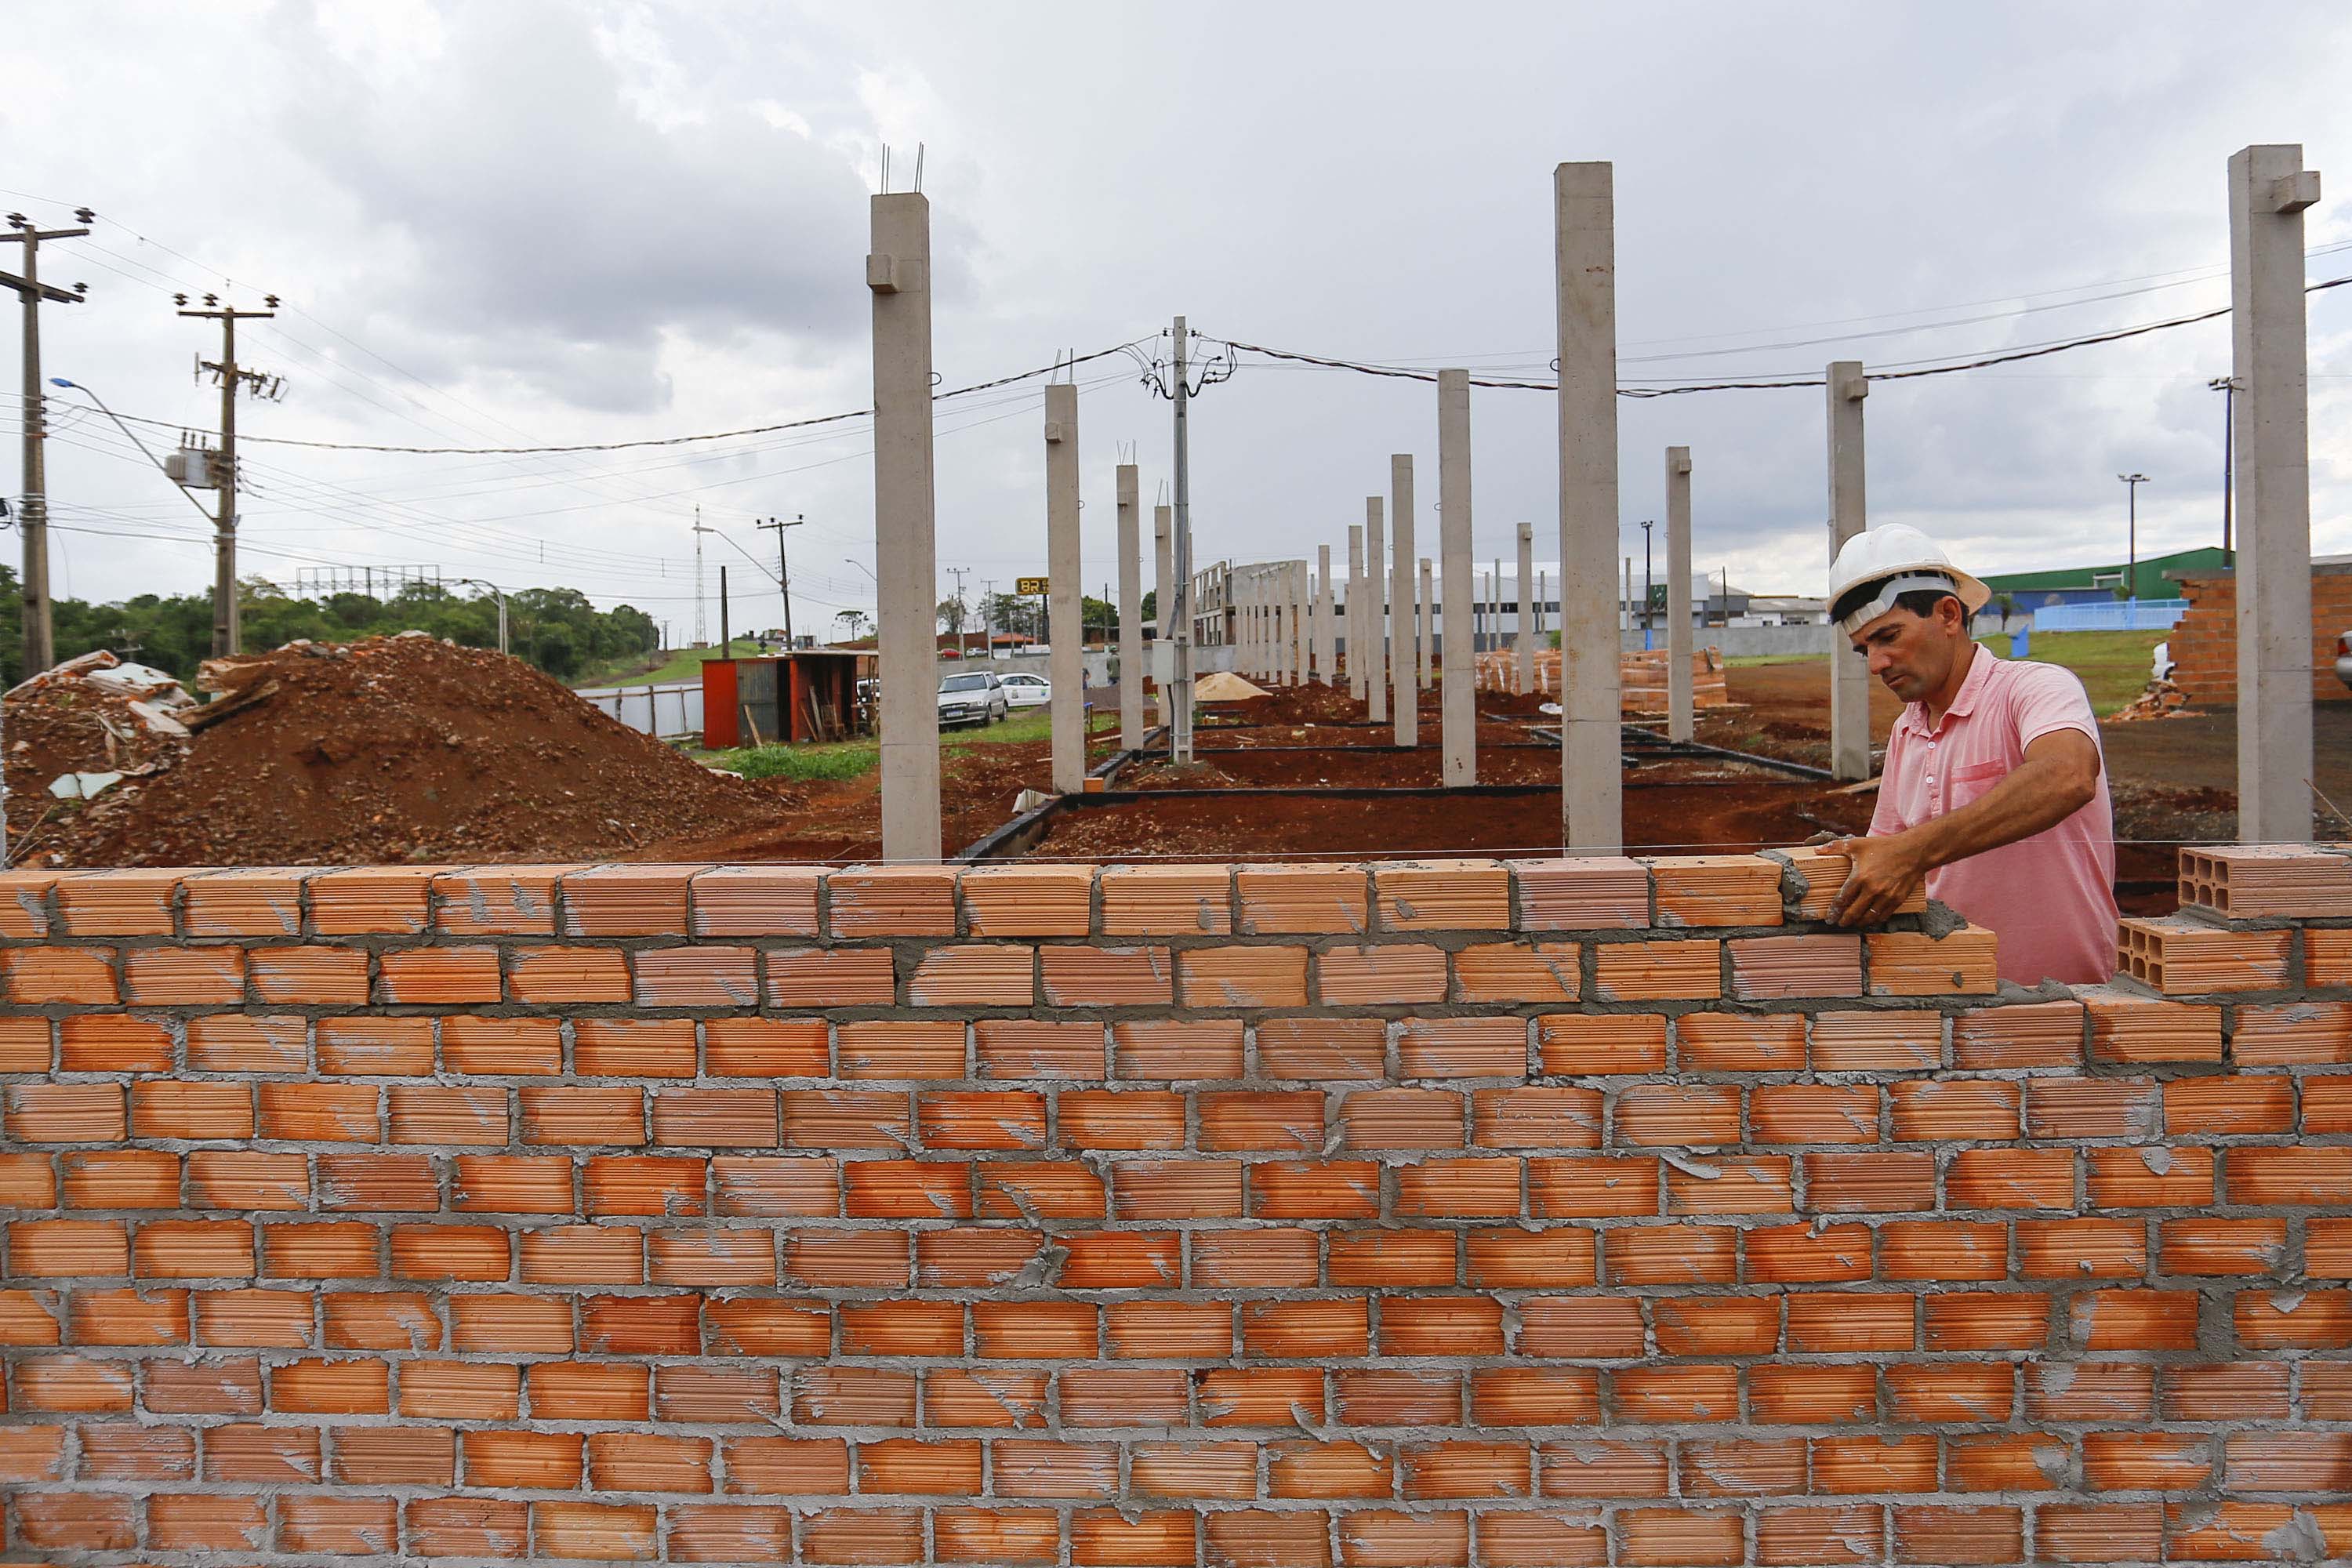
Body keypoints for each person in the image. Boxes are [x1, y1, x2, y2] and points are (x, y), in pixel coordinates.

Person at [1824, 524, 2118, 986]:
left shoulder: (2033, 688)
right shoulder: (1907, 731)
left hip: (2060, 1002)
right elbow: (1889, 851)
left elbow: (2067, 775)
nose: (1877, 663)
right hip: (1954, 1002)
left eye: (1888, 637)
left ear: (1947, 615)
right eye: (1865, 651)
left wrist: (1911, 851)